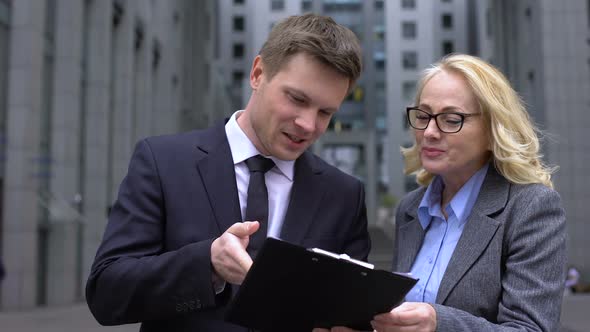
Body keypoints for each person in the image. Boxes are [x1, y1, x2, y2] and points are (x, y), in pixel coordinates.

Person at [86, 13, 370, 331]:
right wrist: (207, 264)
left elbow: (351, 315)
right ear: (258, 73)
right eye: (297, 99)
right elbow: (107, 294)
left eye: (325, 112)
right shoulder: (163, 162)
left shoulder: (344, 195)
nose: (308, 124)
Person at [316, 54, 567, 332]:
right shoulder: (410, 209)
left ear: (492, 129)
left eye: (450, 119)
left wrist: (440, 323)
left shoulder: (530, 208)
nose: (430, 132)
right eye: (423, 116)